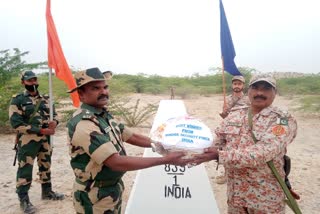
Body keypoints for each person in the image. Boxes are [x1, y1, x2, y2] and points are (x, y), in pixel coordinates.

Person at [66, 67, 190, 214]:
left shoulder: (102, 115)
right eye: (96, 88)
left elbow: (131, 136)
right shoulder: (84, 123)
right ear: (81, 94)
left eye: (105, 87)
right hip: (94, 195)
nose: (104, 92)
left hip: (110, 189)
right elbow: (115, 162)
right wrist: (166, 160)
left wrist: (161, 145)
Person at [194, 74, 298, 213]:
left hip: (265, 199)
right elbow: (218, 138)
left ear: (275, 92)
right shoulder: (236, 113)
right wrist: (191, 147)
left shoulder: (282, 119)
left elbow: (263, 152)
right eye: (255, 88)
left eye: (266, 88)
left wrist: (219, 156)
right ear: (248, 90)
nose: (259, 93)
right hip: (236, 197)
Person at [9, 71, 64, 214]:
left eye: (34, 80)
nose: (33, 83)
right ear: (23, 83)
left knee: (45, 164)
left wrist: (55, 123)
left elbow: (55, 115)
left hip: (46, 140)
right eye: (29, 81)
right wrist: (41, 131)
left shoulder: (46, 98)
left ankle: (47, 192)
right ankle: (24, 200)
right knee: (25, 169)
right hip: (28, 140)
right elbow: (16, 124)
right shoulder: (18, 100)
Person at [217, 75, 250, 184]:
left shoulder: (248, 99)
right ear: (232, 85)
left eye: (239, 84)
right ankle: (227, 174)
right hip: (230, 130)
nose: (237, 86)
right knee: (227, 150)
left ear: (243, 85)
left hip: (244, 130)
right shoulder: (228, 99)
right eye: (235, 84)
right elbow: (225, 117)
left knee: (242, 152)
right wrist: (224, 113)